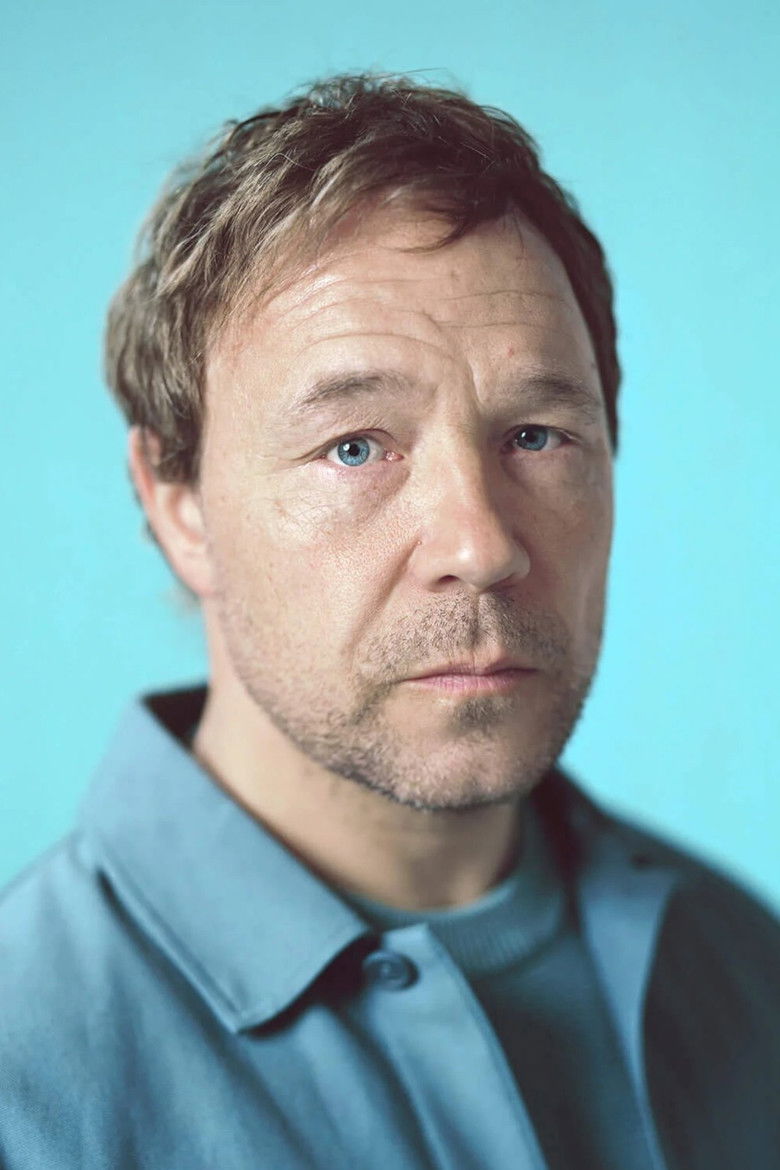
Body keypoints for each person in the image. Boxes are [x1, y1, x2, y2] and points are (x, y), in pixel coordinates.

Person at [1, 73, 778, 1170]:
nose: (482, 545)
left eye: (537, 436)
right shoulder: (25, 1079)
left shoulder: (740, 959)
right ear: (176, 503)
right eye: (355, 446)